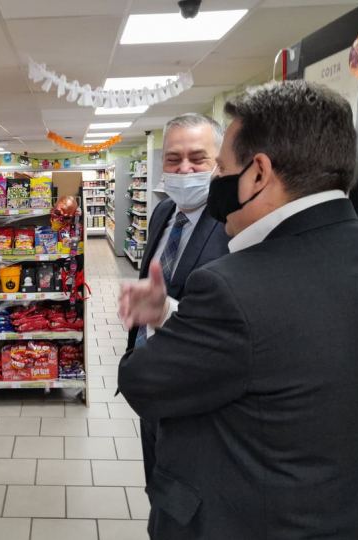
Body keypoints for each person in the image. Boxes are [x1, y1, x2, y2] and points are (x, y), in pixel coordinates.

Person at [117, 80, 358, 540]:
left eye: (221, 172)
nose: (214, 188)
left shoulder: (235, 284)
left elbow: (142, 380)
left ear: (257, 173)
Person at [126, 113, 230, 488]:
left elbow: (232, 320)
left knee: (186, 497)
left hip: (197, 400)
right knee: (156, 489)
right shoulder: (163, 212)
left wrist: (166, 311)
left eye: (197, 158)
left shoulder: (234, 225)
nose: (184, 168)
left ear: (220, 163)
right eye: (173, 158)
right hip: (152, 385)